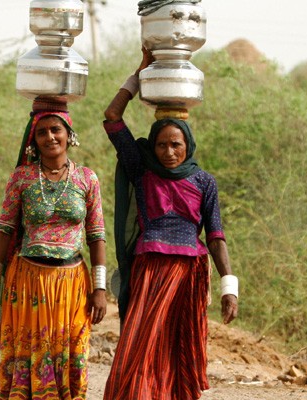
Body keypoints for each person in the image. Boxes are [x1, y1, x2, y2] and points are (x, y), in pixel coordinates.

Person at [100, 49, 239, 400]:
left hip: (190, 274)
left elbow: (217, 236)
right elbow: (112, 118)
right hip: (151, 271)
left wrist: (229, 286)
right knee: (140, 344)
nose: (168, 151)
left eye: (175, 144)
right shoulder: (142, 170)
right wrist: (137, 76)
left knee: (180, 348)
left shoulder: (204, 181)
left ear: (187, 145)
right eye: (161, 144)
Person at [0, 99, 108, 399]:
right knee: (28, 357)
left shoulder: (87, 178)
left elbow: (96, 234)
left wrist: (100, 289)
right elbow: (4, 230)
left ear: (69, 135)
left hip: (72, 285)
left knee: (73, 354)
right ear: (33, 140)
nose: (50, 137)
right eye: (42, 133)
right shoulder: (22, 178)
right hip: (27, 283)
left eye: (56, 130)